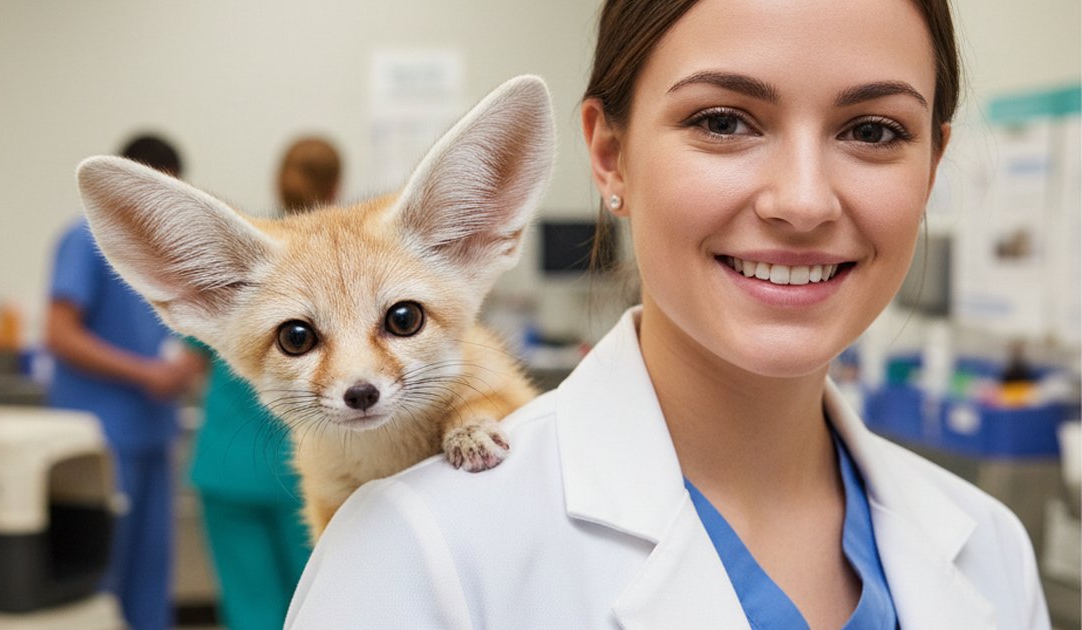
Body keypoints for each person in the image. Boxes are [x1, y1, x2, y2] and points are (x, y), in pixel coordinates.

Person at [284, 1, 1050, 629]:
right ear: (610, 155)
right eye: (724, 121)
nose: (804, 200)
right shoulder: (412, 549)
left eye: (874, 131)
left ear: (931, 169)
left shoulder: (992, 549)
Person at [46, 134, 203, 630]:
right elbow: (58, 334)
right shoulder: (84, 238)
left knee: (150, 581)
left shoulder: (166, 252)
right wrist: (145, 373)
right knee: (99, 582)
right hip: (100, 439)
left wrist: (186, 366)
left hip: (153, 433)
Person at [188, 136, 341, 630]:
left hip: (227, 468)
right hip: (307, 471)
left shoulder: (239, 264)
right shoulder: (349, 265)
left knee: (248, 610)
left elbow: (192, 356)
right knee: (317, 606)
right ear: (337, 186)